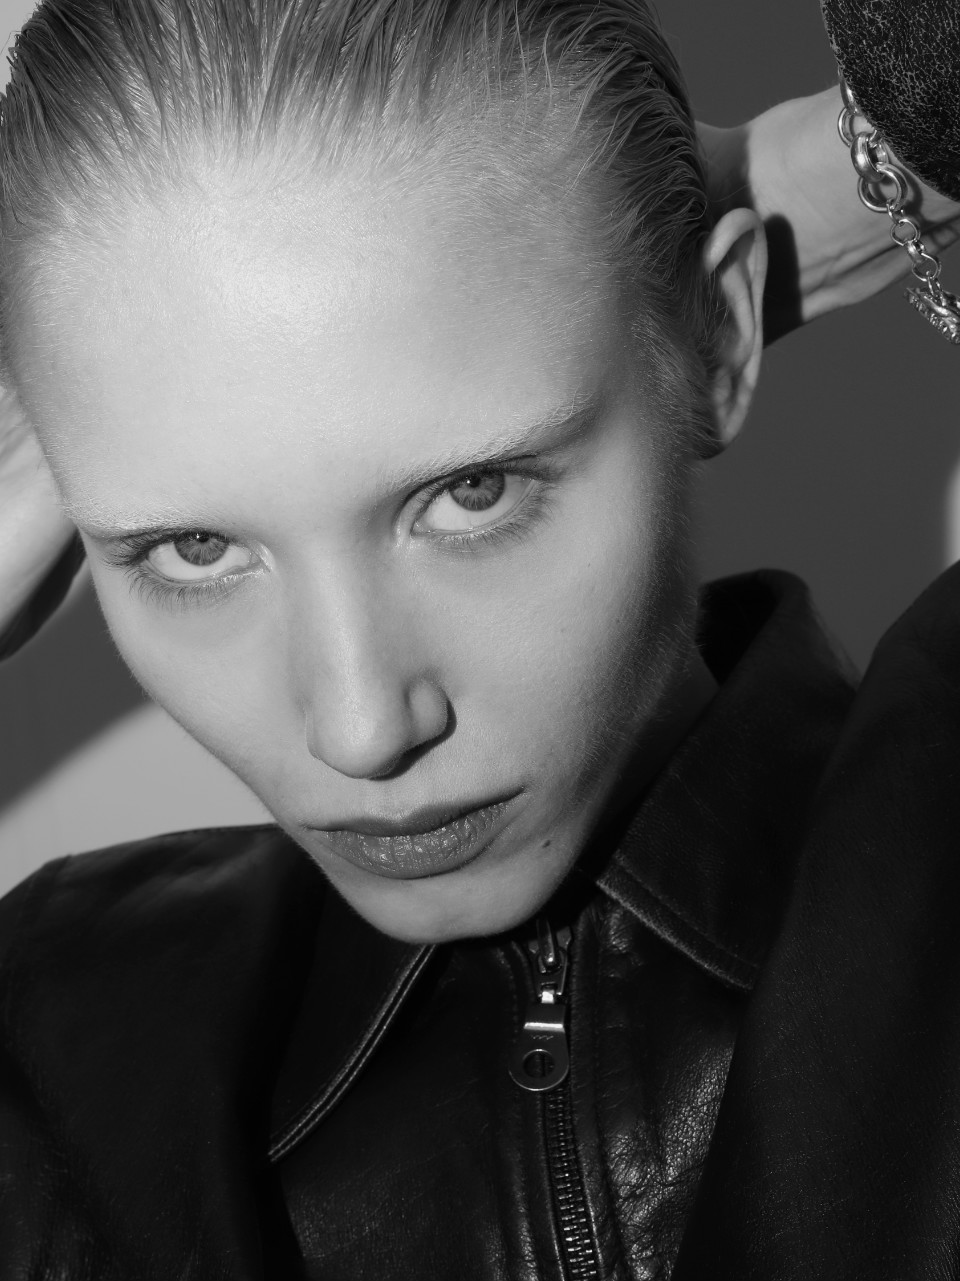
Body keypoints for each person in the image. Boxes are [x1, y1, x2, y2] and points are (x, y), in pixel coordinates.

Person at [1, 0, 959, 1276]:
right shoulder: (50, 1031)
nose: (363, 729)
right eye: (193, 549)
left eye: (471, 493)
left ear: (718, 339)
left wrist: (860, 165)